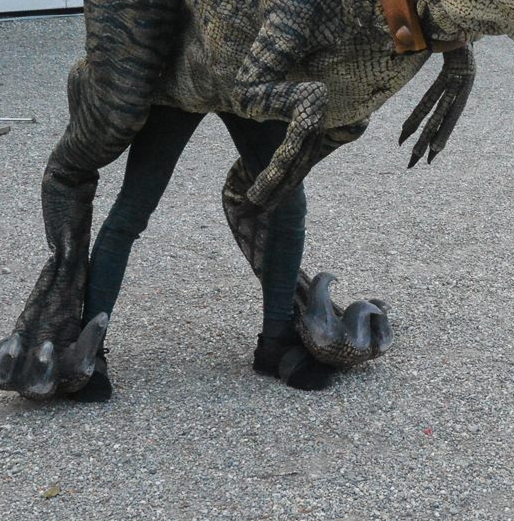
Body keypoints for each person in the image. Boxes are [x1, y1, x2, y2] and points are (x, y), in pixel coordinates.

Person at [76, 106, 327, 401]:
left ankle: (277, 340)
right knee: (133, 206)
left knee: (289, 204)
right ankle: (87, 347)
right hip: (185, 75)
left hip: (245, 72)